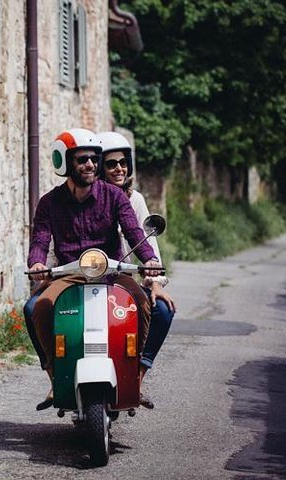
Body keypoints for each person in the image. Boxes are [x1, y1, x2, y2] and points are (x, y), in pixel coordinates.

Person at [24, 128, 162, 410]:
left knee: (142, 305)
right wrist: (37, 262)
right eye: (82, 159)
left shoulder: (114, 196)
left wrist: (149, 260)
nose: (90, 165)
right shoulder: (50, 202)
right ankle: (55, 377)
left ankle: (132, 376)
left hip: (112, 271)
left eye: (94, 159)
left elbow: (134, 231)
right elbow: (40, 238)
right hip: (70, 273)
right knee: (40, 307)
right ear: (66, 163)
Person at [96, 130, 176, 409]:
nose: (119, 169)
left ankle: (136, 379)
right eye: (111, 163)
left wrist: (154, 280)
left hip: (124, 279)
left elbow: (146, 243)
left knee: (163, 311)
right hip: (89, 279)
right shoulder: (88, 198)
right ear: (98, 165)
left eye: (123, 163)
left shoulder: (135, 200)